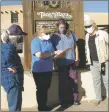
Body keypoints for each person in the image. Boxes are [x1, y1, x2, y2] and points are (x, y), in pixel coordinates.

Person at [50, 19, 80, 107]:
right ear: (57, 27)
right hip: (61, 62)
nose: (62, 29)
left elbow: (76, 47)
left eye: (64, 27)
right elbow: (51, 50)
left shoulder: (71, 34)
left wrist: (77, 58)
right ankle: (63, 101)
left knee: (74, 80)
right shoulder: (54, 36)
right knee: (62, 82)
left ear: (66, 26)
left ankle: (75, 99)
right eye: (60, 27)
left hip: (71, 61)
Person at [31, 25, 59, 111]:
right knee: (41, 89)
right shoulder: (35, 41)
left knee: (46, 89)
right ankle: (41, 108)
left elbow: (52, 54)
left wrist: (58, 54)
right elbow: (39, 55)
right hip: (39, 70)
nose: (48, 35)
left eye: (49, 33)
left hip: (48, 69)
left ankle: (44, 106)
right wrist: (52, 53)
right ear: (41, 33)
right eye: (47, 33)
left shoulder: (49, 41)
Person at [84, 15, 109, 105]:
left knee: (106, 80)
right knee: (96, 81)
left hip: (103, 62)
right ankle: (98, 98)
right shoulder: (87, 36)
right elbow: (87, 48)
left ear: (94, 25)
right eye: (86, 27)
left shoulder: (103, 34)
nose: (88, 28)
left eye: (89, 26)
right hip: (93, 63)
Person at [1, 31, 24, 111]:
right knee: (15, 106)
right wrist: (11, 66)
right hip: (13, 79)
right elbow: (7, 58)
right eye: (20, 36)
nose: (21, 39)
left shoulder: (4, 46)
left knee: (14, 105)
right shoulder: (9, 47)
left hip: (10, 79)